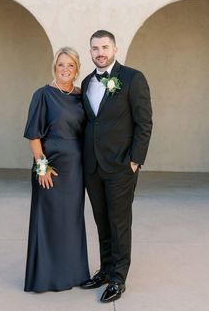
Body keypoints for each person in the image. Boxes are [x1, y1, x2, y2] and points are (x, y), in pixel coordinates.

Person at [80, 30, 152, 303]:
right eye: (95, 48)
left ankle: (119, 278)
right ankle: (106, 270)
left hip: (122, 165)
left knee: (119, 222)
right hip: (93, 166)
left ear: (114, 48)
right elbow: (91, 122)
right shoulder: (87, 81)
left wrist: (135, 160)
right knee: (101, 220)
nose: (100, 52)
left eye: (105, 47)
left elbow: (144, 123)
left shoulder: (133, 78)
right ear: (90, 52)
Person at [24, 47, 90, 292]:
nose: (65, 69)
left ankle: (73, 274)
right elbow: (33, 136)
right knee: (49, 221)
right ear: (55, 67)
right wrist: (42, 167)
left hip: (75, 169)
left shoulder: (80, 96)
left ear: (76, 69)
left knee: (71, 221)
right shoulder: (43, 95)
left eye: (70, 65)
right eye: (61, 64)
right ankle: (46, 277)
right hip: (50, 166)